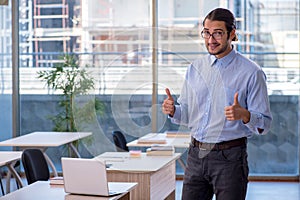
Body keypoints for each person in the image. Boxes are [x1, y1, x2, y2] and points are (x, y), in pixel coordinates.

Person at [162, 8, 272, 200]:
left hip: (229, 158)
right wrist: (173, 111)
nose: (211, 40)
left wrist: (245, 115)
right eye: (207, 32)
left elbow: (264, 123)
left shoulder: (251, 72)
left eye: (218, 33)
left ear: (232, 34)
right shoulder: (195, 68)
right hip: (196, 154)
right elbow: (187, 114)